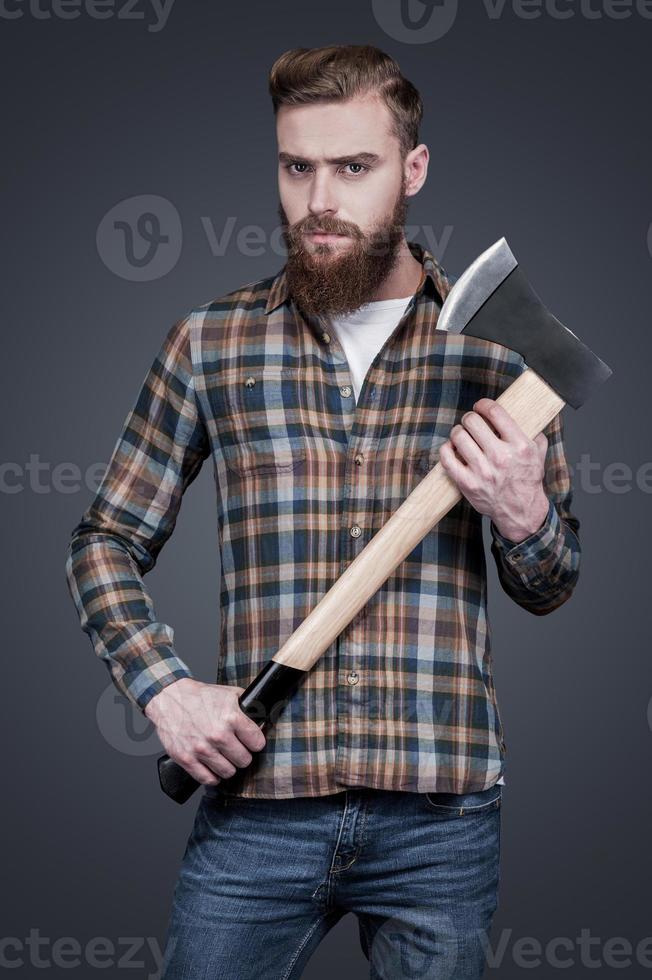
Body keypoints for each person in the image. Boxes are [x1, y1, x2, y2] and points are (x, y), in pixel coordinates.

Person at [65, 43, 581, 980]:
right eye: (297, 166)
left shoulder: (498, 355)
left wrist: (520, 512)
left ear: (412, 170)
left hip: (442, 818)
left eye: (354, 167)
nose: (320, 200)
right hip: (260, 807)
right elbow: (103, 538)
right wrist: (164, 689)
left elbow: (553, 582)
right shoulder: (211, 342)